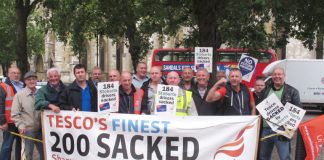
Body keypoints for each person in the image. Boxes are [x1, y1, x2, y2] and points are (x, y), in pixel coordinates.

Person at [259, 67, 301, 160]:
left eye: (279, 74)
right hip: (266, 129)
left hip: (282, 130)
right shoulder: (265, 90)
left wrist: (290, 128)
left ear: (284, 76)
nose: (277, 76)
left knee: (284, 157)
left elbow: (298, 111)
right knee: (263, 157)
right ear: (272, 76)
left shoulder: (292, 91)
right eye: (275, 74)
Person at [11, 71, 44, 160]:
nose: (31, 81)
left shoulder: (41, 93)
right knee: (28, 154)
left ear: (36, 80)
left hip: (41, 130)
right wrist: (21, 126)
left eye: (33, 79)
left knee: (44, 153)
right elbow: (14, 114)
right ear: (25, 82)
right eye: (29, 80)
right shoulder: (19, 95)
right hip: (27, 130)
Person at [0, 67, 23, 160]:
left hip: (22, 121)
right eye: (13, 73)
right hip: (9, 122)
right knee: (7, 146)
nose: (16, 75)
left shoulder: (23, 85)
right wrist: (2, 122)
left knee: (21, 145)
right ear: (8, 74)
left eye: (18, 73)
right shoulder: (3, 87)